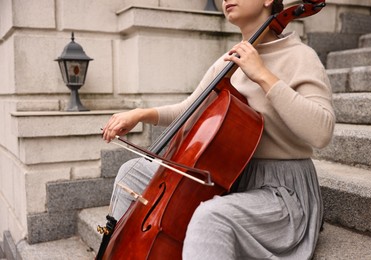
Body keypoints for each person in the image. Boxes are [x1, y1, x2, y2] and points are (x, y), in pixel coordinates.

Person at [102, 0, 335, 259]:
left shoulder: (299, 56)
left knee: (211, 216)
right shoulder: (228, 63)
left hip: (281, 192)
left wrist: (263, 75)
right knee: (131, 174)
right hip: (230, 176)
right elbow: (189, 111)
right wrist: (140, 115)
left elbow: (321, 132)